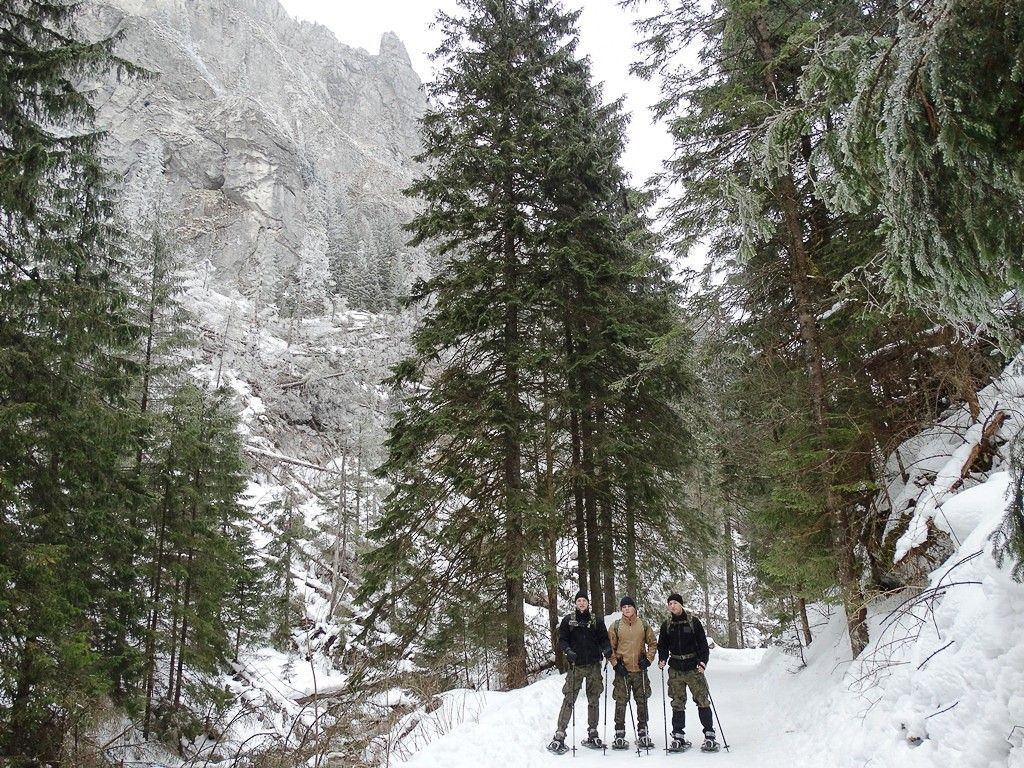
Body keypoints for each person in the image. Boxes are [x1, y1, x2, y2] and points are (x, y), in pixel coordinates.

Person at [547, 590, 612, 754]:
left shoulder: (596, 620)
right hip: (576, 666)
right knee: (569, 698)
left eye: (584, 600)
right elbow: (562, 639)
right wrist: (567, 650)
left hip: (593, 666)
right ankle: (559, 734)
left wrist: (606, 649)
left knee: (594, 699)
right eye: (579, 601)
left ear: (588, 603)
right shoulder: (568, 620)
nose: (582, 603)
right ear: (575, 603)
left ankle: (593, 732)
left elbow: (604, 638)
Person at [657, 592, 719, 752]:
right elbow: (662, 645)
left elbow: (703, 645)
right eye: (670, 604)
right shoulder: (667, 624)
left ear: (681, 604)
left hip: (693, 667)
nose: (672, 606)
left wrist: (703, 662)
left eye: (675, 603)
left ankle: (709, 734)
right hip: (675, 668)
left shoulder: (693, 622)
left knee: (702, 700)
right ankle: (678, 735)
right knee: (677, 703)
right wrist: (662, 658)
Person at [608, 595, 657, 749]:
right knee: (621, 701)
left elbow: (653, 643)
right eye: (624, 607)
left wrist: (648, 660)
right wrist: (616, 664)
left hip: (639, 670)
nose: (627, 609)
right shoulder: (616, 626)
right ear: (621, 609)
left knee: (642, 700)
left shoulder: (643, 624)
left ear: (634, 607)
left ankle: (643, 731)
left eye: (629, 606)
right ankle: (619, 733)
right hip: (623, 670)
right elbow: (610, 648)